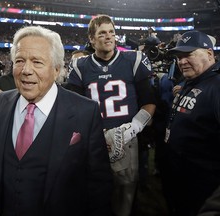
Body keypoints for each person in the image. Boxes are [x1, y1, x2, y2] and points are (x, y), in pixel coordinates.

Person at [0, 25, 113, 216]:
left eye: (37, 62)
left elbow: (98, 182)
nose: (26, 70)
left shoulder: (85, 111)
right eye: (19, 61)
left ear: (56, 70)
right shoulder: (1, 102)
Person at [66, 14, 156, 216]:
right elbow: (74, 107)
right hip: (95, 140)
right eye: (102, 33)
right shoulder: (80, 66)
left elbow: (149, 103)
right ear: (91, 38)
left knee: (126, 198)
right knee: (96, 194)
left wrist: (131, 129)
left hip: (128, 139)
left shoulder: (133, 60)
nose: (108, 37)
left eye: (111, 32)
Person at [164, 30, 220, 216]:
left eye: (188, 55)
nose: (181, 61)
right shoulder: (192, 80)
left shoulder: (217, 86)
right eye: (179, 57)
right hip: (182, 183)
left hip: (205, 192)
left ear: (209, 54)